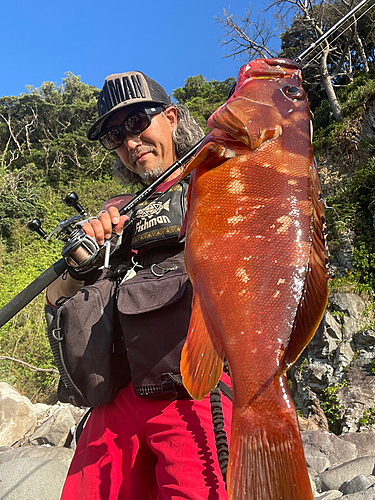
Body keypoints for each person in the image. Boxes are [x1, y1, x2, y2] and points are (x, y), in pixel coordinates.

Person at [46, 71, 232, 500]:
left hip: (195, 392)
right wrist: (81, 262)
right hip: (115, 402)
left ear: (170, 117)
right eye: (115, 135)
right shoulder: (110, 214)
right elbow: (58, 301)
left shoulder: (217, 182)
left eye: (137, 122)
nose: (130, 142)